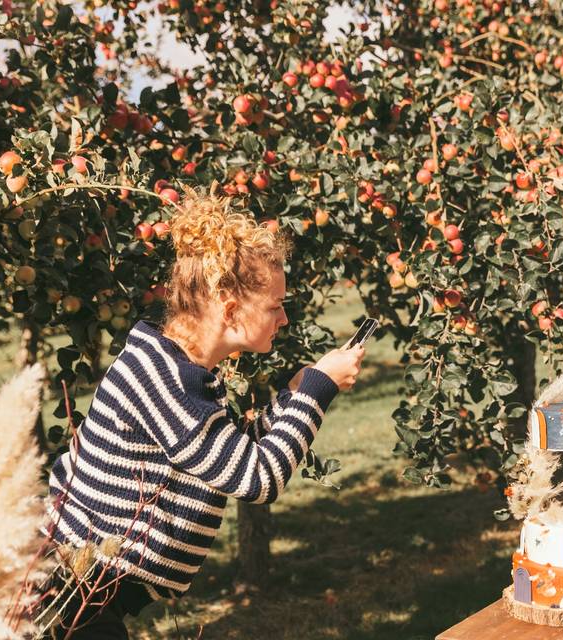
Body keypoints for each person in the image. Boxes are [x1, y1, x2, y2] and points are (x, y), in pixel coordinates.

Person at [42, 189, 364, 638]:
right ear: (231, 311)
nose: (284, 320)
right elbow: (257, 477)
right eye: (275, 306)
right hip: (65, 594)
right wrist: (319, 386)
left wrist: (294, 394)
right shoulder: (162, 377)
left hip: (86, 589)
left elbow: (227, 450)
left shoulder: (176, 368)